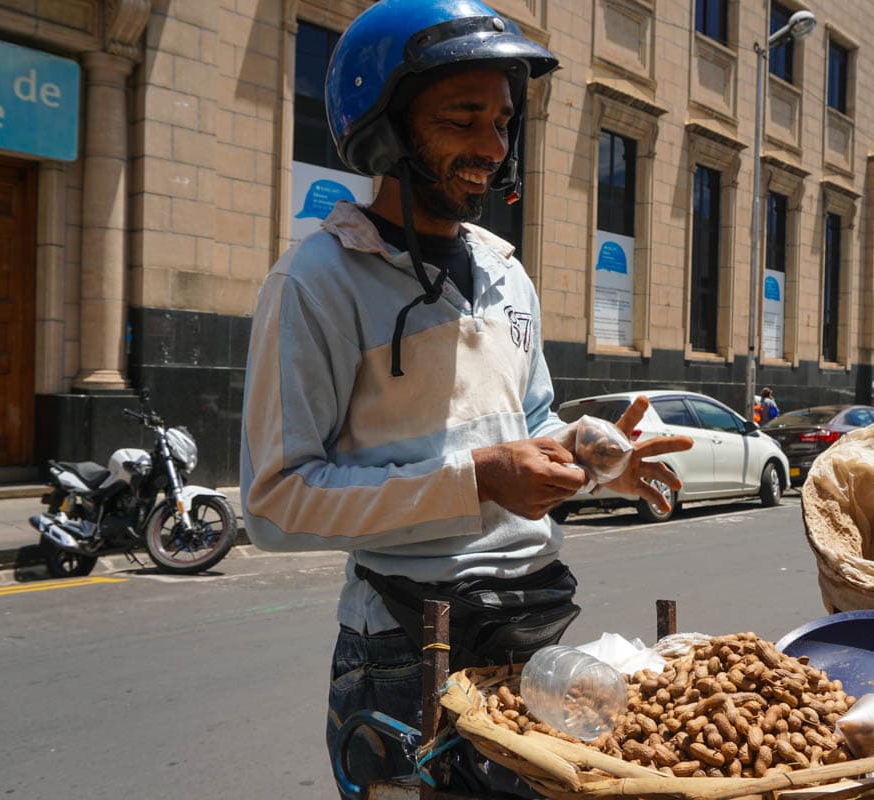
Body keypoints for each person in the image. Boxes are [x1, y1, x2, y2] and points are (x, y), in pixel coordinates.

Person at [237, 0, 691, 791]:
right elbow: (276, 504)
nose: (492, 147)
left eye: (505, 122)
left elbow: (532, 421)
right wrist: (477, 479)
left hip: (534, 630)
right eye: (463, 119)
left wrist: (589, 455)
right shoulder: (315, 283)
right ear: (385, 129)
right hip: (407, 650)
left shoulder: (507, 270)